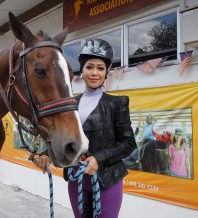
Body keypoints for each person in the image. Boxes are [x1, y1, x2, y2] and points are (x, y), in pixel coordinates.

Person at [34, 39, 136, 218]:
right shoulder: (70, 104)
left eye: (100, 68)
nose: (95, 73)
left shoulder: (116, 104)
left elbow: (128, 144)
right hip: (77, 178)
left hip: (107, 179)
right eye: (90, 67)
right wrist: (46, 154)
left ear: (106, 72)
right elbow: (66, 136)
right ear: (82, 70)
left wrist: (98, 158)